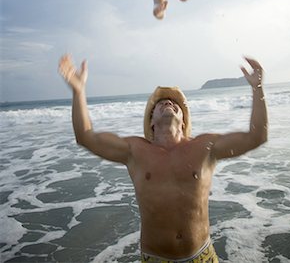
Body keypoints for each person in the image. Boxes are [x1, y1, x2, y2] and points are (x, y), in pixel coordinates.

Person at [58, 54, 268, 263]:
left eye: (175, 102)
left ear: (184, 121)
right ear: (151, 122)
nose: (168, 101)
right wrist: (78, 91)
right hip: (156, 259)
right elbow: (85, 136)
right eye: (160, 103)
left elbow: (256, 136)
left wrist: (257, 88)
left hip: (202, 256)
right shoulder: (134, 150)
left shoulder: (205, 146)